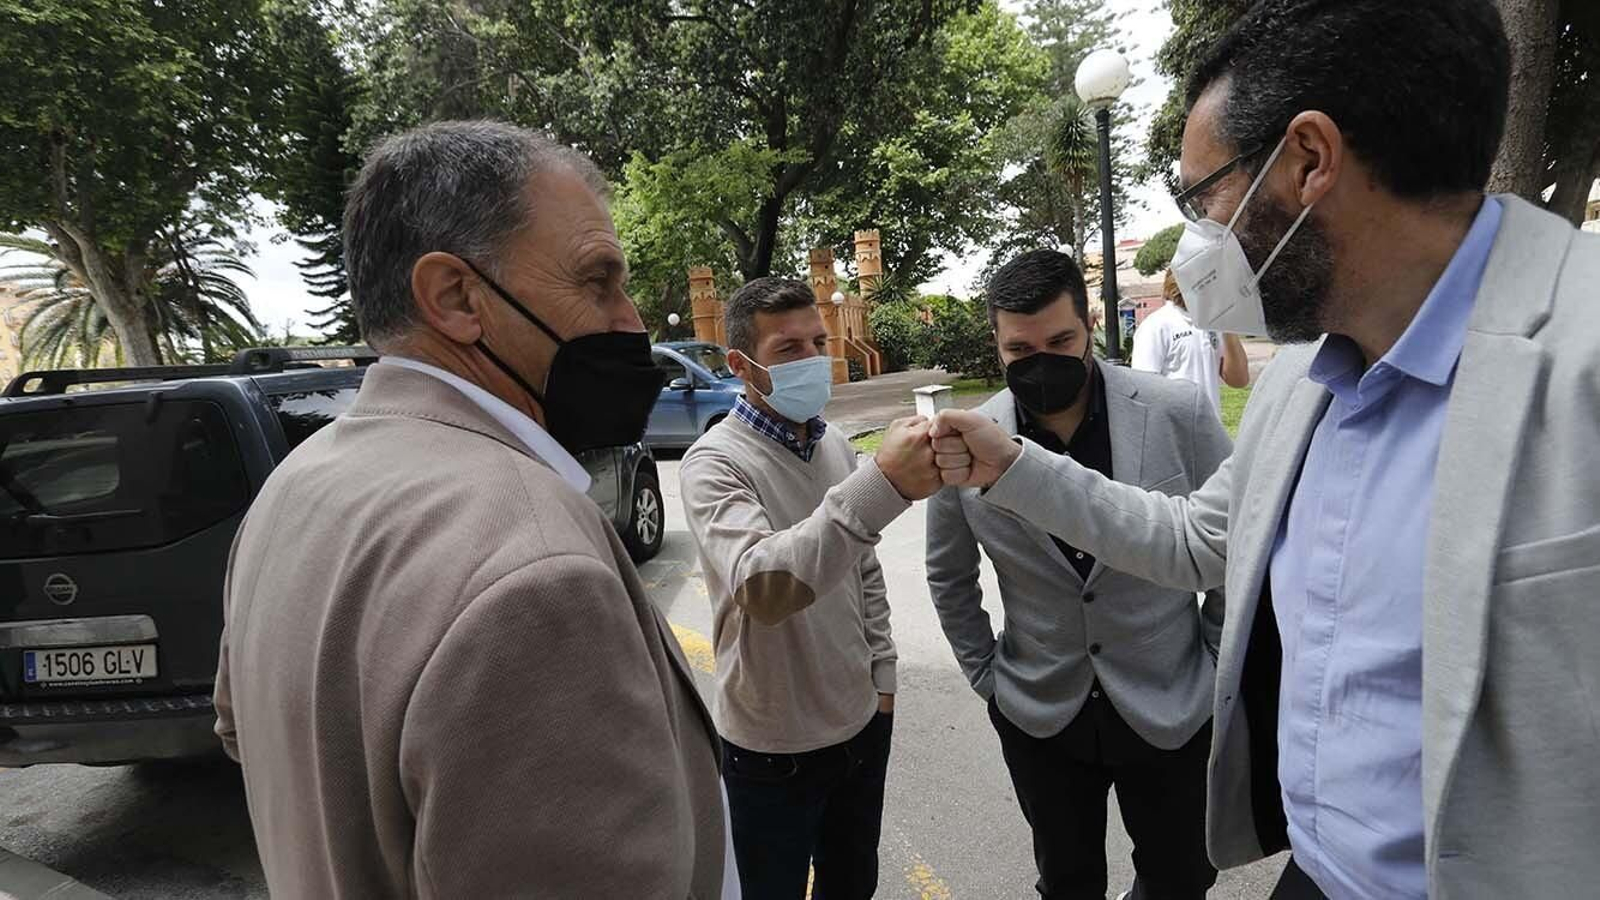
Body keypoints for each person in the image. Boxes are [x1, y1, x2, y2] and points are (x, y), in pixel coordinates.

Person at [926, 2, 1600, 898]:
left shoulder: (1580, 361)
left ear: (1309, 162)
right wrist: (1009, 464)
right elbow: (1193, 542)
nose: (1201, 237)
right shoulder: (1300, 385)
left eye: (1202, 194)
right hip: (1314, 874)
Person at [213, 121, 733, 898]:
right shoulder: (536, 572)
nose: (631, 320)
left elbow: (241, 731)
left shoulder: (292, 489)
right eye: (598, 280)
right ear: (456, 298)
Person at [925, 250, 1231, 900]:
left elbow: (1235, 549)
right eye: (1020, 347)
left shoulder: (1178, 412)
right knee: (1066, 882)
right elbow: (949, 576)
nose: (1042, 359)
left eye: (1061, 340)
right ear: (996, 343)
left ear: (1090, 322)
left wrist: (1213, 660)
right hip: (1041, 711)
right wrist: (989, 679)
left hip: (1173, 701)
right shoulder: (963, 442)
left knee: (1182, 876)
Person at [678, 277, 941, 900]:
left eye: (818, 341)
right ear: (744, 366)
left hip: (860, 725)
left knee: (853, 885)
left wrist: (883, 679)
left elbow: (864, 571)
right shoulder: (714, 463)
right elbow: (763, 587)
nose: (813, 359)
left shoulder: (837, 447)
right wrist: (883, 486)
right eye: (789, 348)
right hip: (772, 750)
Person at [1130, 270, 1250, 417]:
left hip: (1210, 431)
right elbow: (1144, 391)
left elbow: (1239, 380)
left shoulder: (1215, 323)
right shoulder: (1156, 326)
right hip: (1173, 433)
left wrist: (1228, 327)